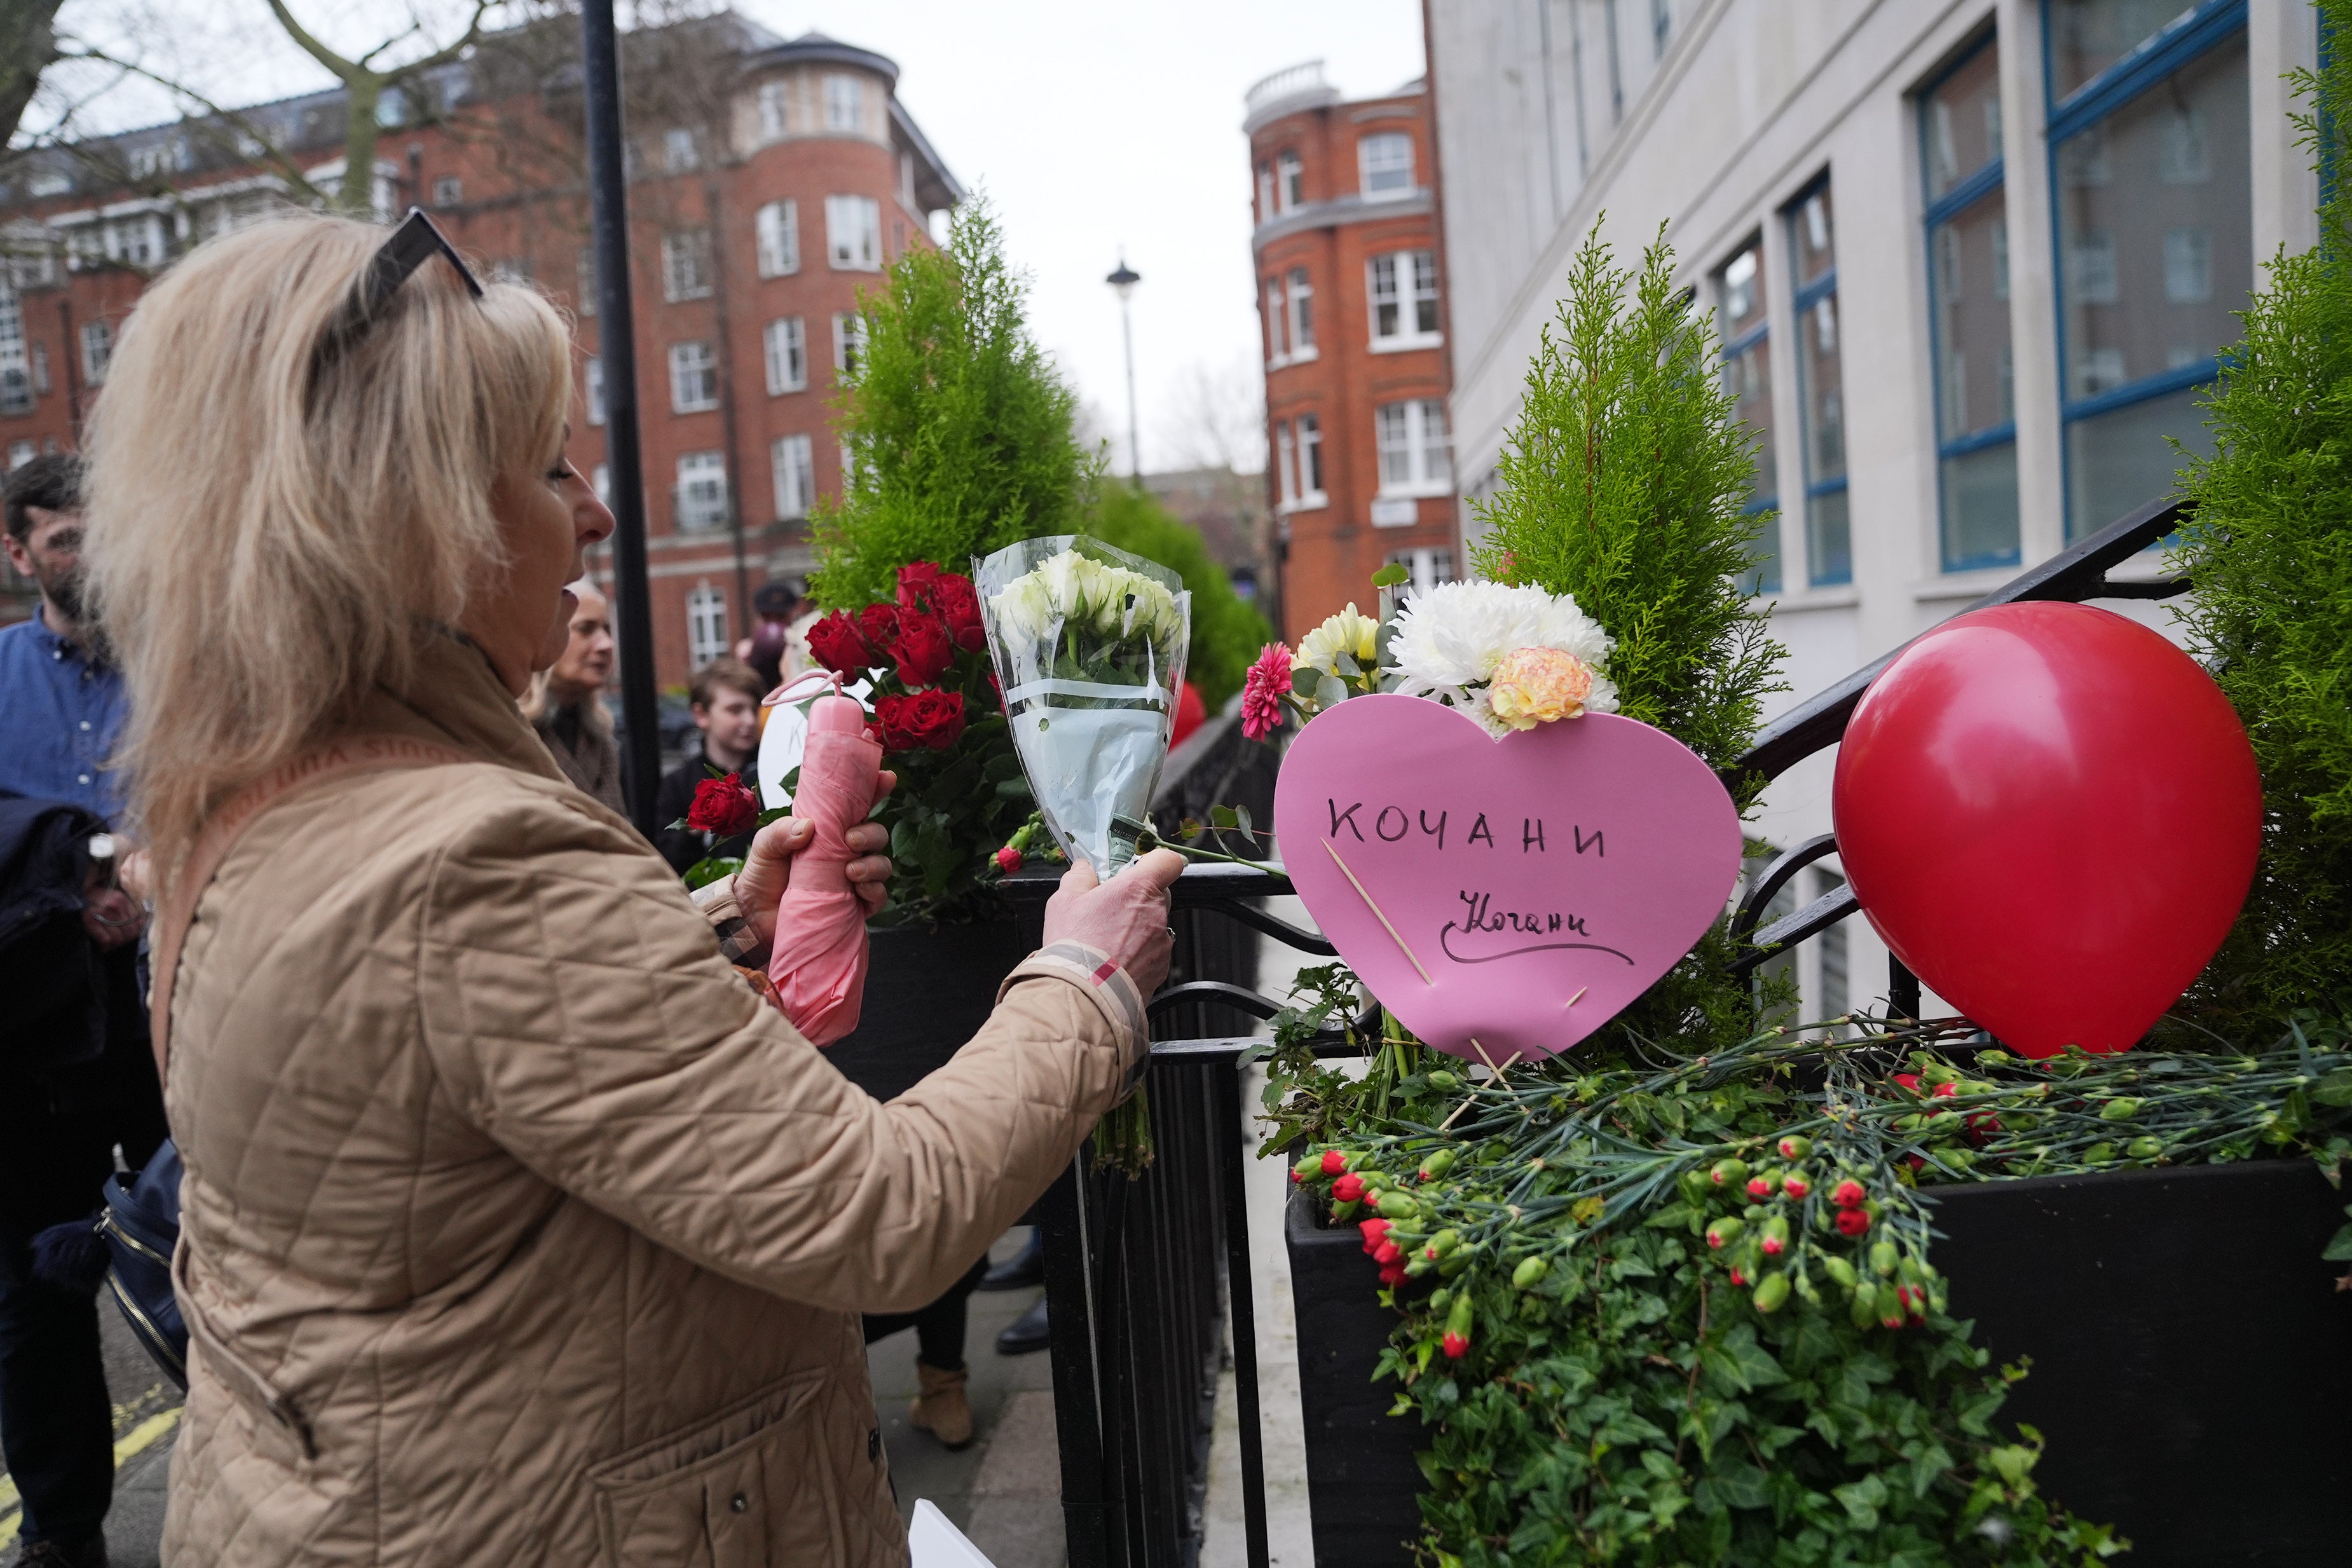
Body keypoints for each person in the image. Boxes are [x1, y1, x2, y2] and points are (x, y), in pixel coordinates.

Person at [82, 210, 1182, 1568]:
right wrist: (1083, 976)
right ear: (415, 518)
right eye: (550, 469)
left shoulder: (257, 805)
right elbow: (883, 1212)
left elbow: (434, 1071)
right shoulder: (471, 859)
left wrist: (710, 931)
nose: (596, 514)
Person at [0, 453, 167, 1568]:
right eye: (65, 539)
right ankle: (64, 1530)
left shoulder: (179, 663)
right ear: (20, 552)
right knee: (31, 1295)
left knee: (215, 1251)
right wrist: (68, 890)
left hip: (172, 1005)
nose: (91, 556)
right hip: (37, 1024)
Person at [520, 577, 624, 815]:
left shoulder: (599, 734)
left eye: (607, 630)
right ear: (544, 634)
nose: (607, 644)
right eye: (586, 629)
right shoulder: (513, 733)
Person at [654, 655, 766, 874]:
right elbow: (668, 864)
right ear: (701, 715)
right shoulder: (677, 786)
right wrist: (700, 825)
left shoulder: (771, 770)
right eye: (735, 710)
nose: (750, 720)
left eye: (754, 710)